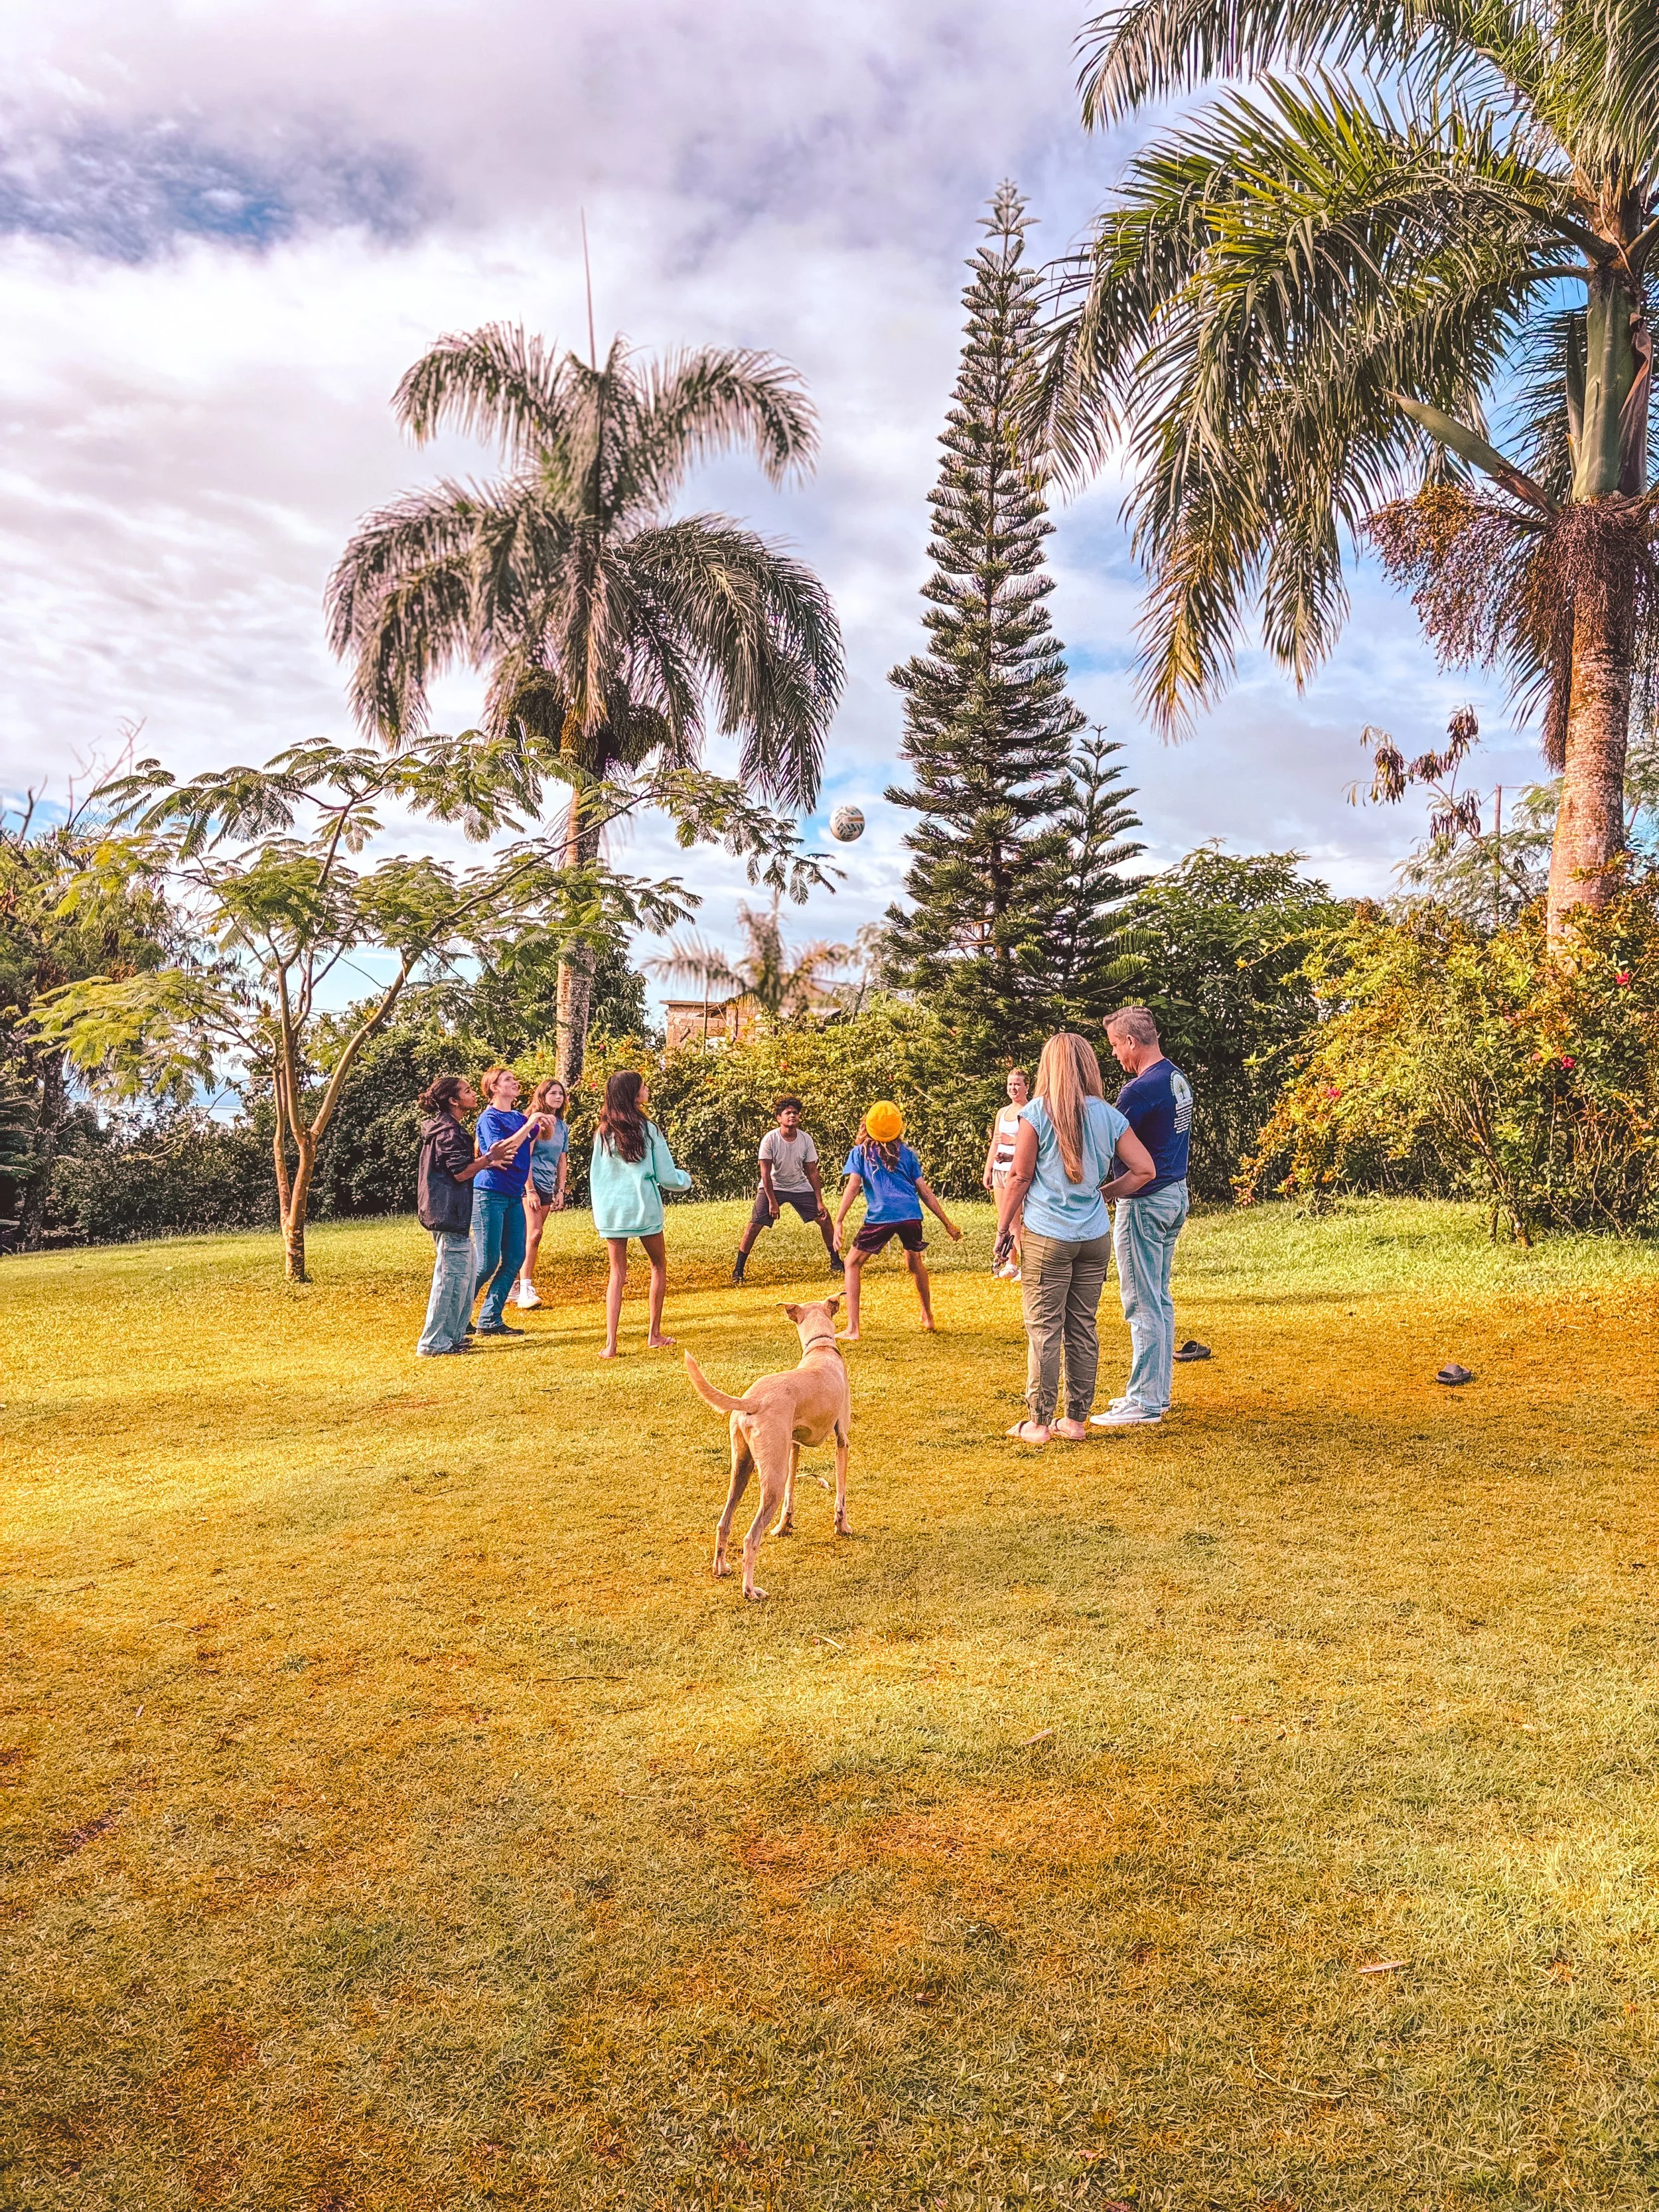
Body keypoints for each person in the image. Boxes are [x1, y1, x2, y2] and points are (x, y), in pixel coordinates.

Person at [993, 1033, 1155, 1444]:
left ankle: (1039, 1423)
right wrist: (1104, 1194)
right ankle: (1076, 1420)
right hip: (1094, 1236)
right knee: (1083, 1326)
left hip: (1048, 1237)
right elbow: (1144, 1170)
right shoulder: (1109, 1115)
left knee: (1044, 1328)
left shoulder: (1036, 1113)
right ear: (1088, 1066)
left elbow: (1019, 1176)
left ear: (1049, 1067)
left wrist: (1003, 1229)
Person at [1095, 1005, 1193, 1428]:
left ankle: (1145, 1402)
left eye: (1116, 1045)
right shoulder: (1176, 1078)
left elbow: (1108, 1141)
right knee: (1159, 1297)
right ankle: (1154, 1392)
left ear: (1131, 1042)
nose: (1116, 1054)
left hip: (1145, 1202)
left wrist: (1100, 1194)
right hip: (1174, 1194)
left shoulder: (1138, 1091)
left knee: (1142, 1302)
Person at [832, 1100, 962, 1341]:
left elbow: (853, 1186)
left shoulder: (859, 1153)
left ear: (868, 1125)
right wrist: (947, 1223)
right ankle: (928, 1316)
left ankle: (853, 1329)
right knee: (914, 1265)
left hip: (882, 1215)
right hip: (911, 1215)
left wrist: (839, 1220)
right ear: (898, 1127)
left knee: (851, 1264)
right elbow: (924, 1191)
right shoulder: (908, 1153)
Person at [415, 1075, 520, 1357]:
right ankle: (434, 1343)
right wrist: (489, 1159)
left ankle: (454, 1336)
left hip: (453, 1213)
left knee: (461, 1278)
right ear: (453, 1100)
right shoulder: (448, 1133)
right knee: (449, 1280)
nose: (474, 1094)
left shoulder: (448, 1129)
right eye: (467, 1091)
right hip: (448, 1214)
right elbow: (460, 1171)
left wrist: (488, 1161)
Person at [589, 1069, 692, 1358]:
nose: (647, 1090)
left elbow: (596, 1177)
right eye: (643, 1087)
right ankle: (654, 1334)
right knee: (658, 1266)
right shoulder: (649, 1130)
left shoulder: (603, 1133)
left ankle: (610, 1344)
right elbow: (668, 1176)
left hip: (612, 1212)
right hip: (644, 1207)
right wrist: (687, 1179)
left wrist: (602, 1211)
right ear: (634, 1094)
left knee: (616, 1274)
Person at [731, 1095, 841, 1283]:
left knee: (825, 1219)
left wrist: (820, 1201)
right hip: (773, 1186)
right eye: (788, 1113)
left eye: (795, 1113)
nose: (792, 1116)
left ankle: (836, 1261)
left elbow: (813, 1172)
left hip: (799, 1185)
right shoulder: (770, 1139)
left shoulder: (806, 1139)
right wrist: (773, 1202)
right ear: (778, 1118)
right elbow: (765, 1174)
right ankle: (738, 1270)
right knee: (754, 1225)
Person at [470, 1066, 544, 1338]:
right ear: (494, 1088)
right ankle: (458, 1314)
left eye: (514, 1079)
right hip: (489, 1193)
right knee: (488, 1261)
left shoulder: (515, 1116)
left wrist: (540, 1123)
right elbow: (502, 1151)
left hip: (514, 1195)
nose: (515, 1083)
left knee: (515, 1256)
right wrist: (529, 1125)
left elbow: (534, 1135)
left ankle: (490, 1319)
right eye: (508, 1080)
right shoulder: (488, 1119)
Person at [514, 1077, 570, 1310]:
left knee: (530, 1236)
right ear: (543, 1096)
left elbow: (562, 1159)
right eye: (553, 1093)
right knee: (534, 1234)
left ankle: (514, 1285)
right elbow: (524, 1156)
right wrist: (530, 1189)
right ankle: (526, 1288)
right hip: (530, 1184)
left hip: (549, 1185)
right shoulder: (534, 1123)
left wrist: (560, 1190)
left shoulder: (563, 1126)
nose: (558, 1097)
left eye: (561, 1094)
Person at [981, 1067, 1032, 1280]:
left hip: (1018, 1172)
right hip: (1000, 1172)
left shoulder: (1030, 1111)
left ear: (1027, 1087)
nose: (1013, 1088)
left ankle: (1028, 1266)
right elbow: (996, 1141)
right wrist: (988, 1168)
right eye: (1010, 1084)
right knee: (1004, 1219)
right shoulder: (1002, 1113)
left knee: (1016, 1220)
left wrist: (1013, 1143)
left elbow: (1032, 1143)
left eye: (1018, 1084)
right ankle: (1011, 1264)